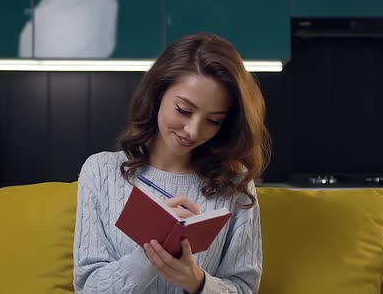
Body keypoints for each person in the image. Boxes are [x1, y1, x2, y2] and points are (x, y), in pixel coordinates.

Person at [73, 33, 271, 293]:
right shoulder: (100, 172)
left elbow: (245, 288)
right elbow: (88, 288)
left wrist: (197, 281)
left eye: (213, 121)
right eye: (184, 110)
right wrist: (151, 254)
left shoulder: (234, 183)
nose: (193, 130)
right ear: (157, 94)